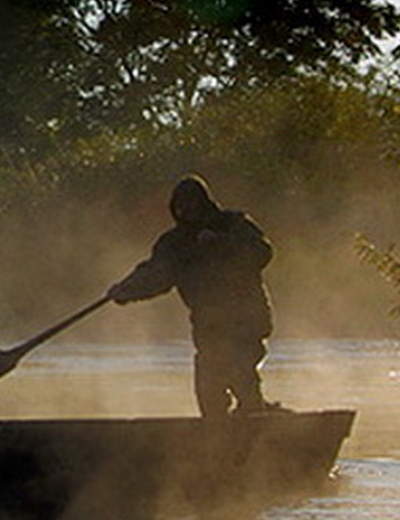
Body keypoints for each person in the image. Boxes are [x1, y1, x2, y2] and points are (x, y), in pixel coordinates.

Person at [109, 175, 279, 418]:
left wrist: (221, 243)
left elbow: (262, 252)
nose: (187, 211)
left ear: (205, 203)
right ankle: (214, 440)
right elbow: (155, 274)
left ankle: (257, 423)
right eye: (181, 206)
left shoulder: (233, 225)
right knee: (209, 390)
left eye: (193, 205)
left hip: (246, 320)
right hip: (208, 325)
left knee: (240, 372)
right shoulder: (175, 244)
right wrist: (125, 289)